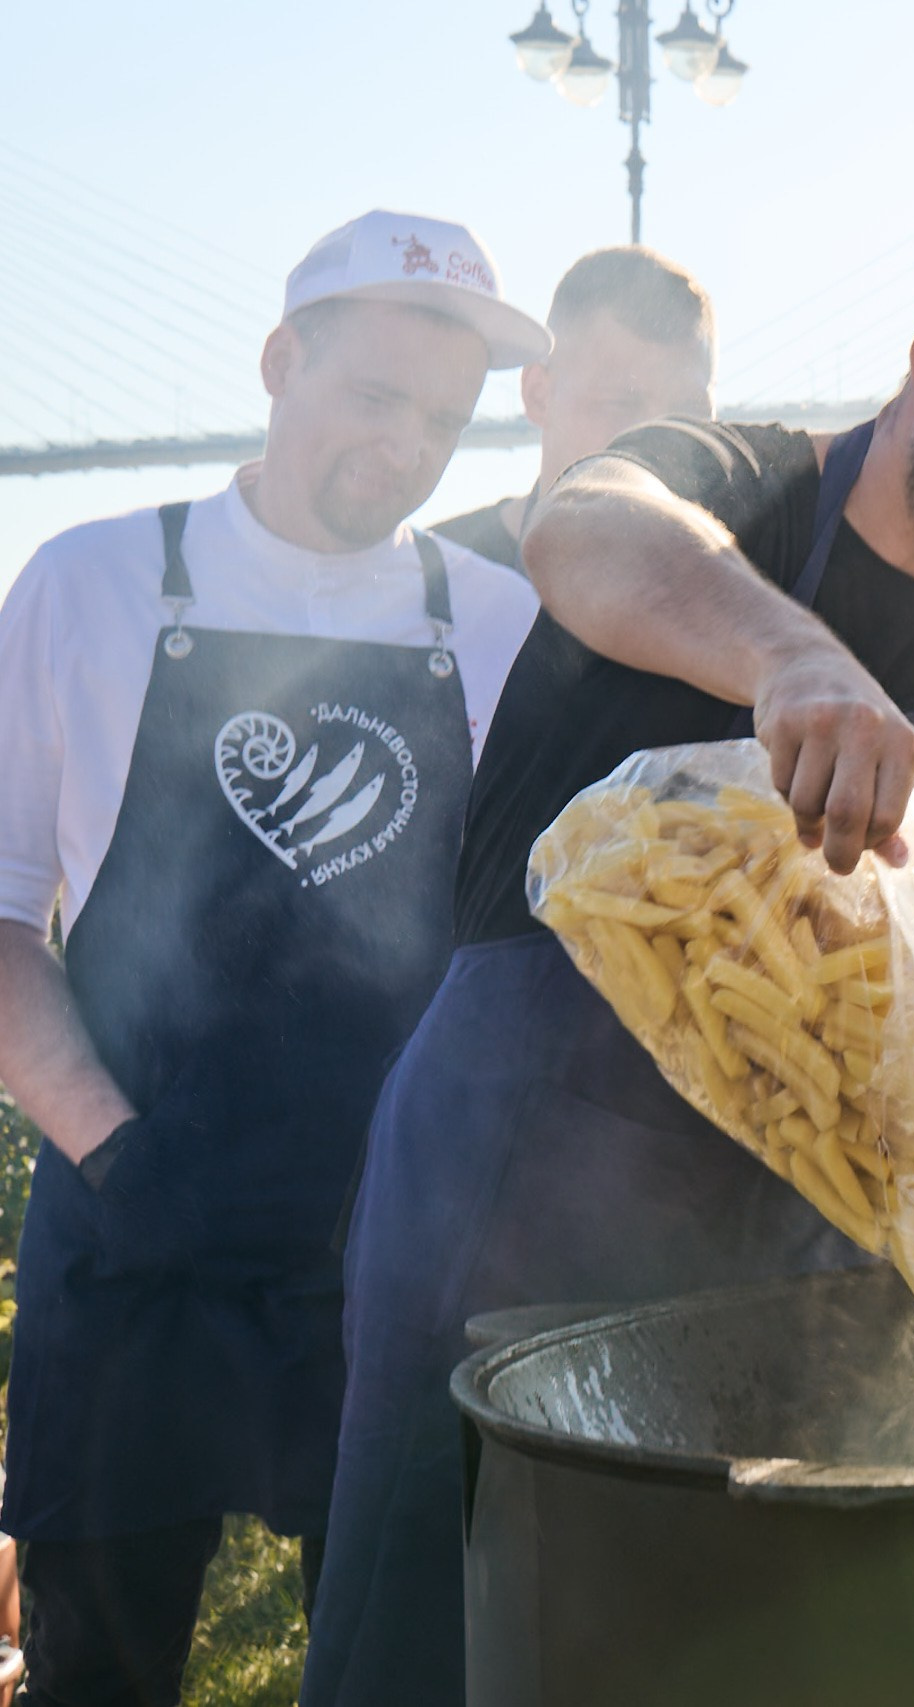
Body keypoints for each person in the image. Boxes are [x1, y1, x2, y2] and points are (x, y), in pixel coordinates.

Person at [301, 190, 914, 1707]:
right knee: (446, 1646)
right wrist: (792, 658)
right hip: (514, 1203)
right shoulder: (724, 483)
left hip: (791, 1270)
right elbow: (583, 528)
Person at [0, 210, 545, 1707]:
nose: (410, 448)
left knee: (404, 1669)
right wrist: (119, 1154)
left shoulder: (494, 625)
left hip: (390, 1259)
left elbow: (534, 944)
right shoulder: (90, 584)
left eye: (444, 418)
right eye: (375, 396)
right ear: (277, 361)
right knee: (95, 1676)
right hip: (133, 1238)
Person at [433, 246, 718, 573]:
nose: (664, 440)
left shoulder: (761, 580)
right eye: (622, 404)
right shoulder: (433, 583)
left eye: (688, 413)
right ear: (539, 394)